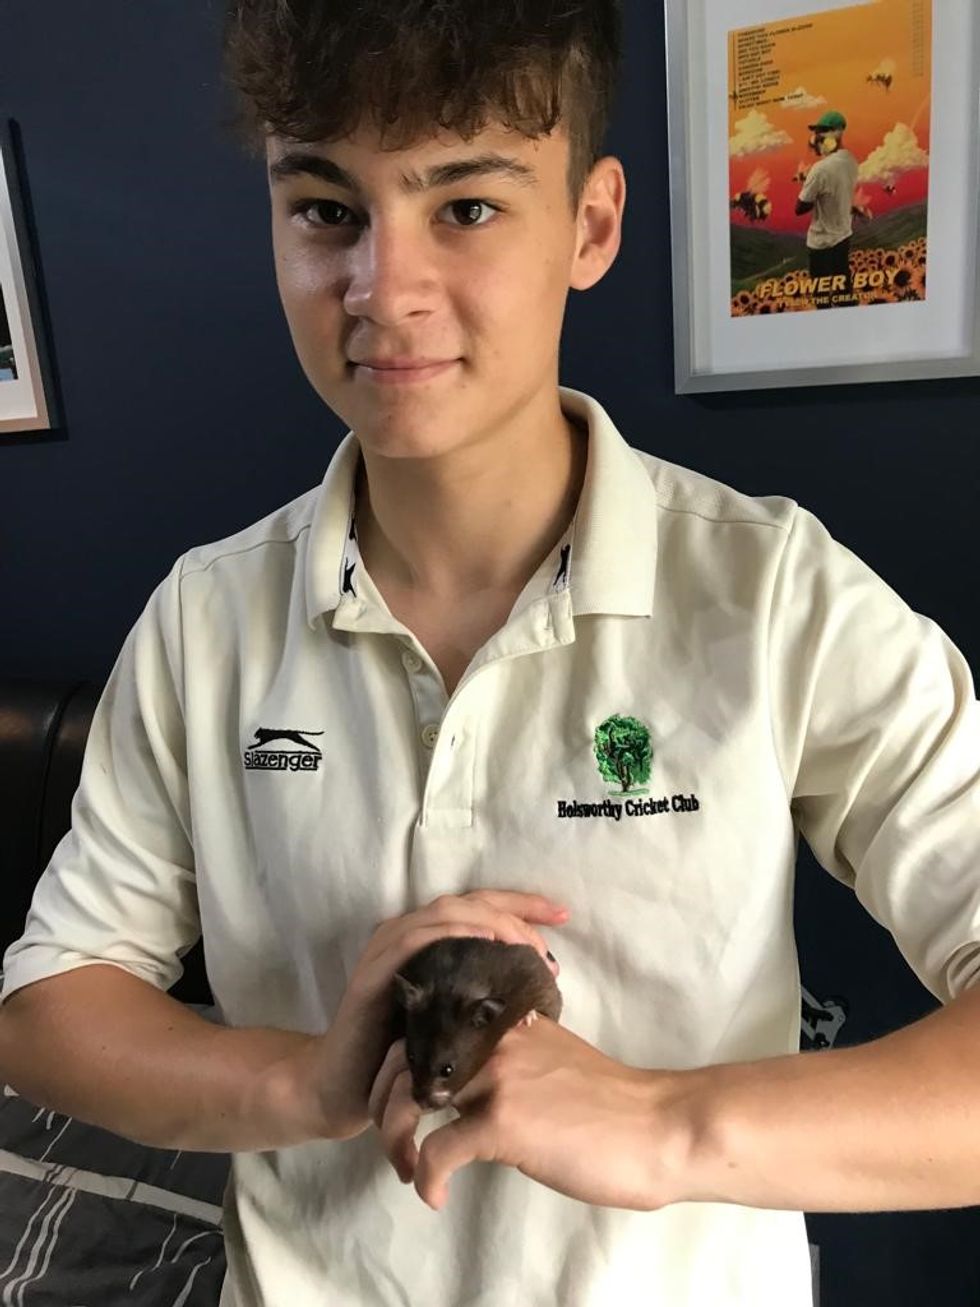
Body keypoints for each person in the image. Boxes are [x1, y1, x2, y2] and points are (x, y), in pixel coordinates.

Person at [2, 3, 980, 1304]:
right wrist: (302, 1077)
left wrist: (660, 1120)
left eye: (464, 207)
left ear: (591, 225)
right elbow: (53, 1003)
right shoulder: (203, 618)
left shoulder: (775, 593)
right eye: (327, 210)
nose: (383, 289)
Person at [795, 109, 861, 306]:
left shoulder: (820, 169)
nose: (817, 136)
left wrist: (809, 185)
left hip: (821, 243)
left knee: (822, 298)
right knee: (844, 291)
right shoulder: (850, 160)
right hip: (843, 235)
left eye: (823, 131)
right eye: (817, 132)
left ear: (838, 132)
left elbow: (799, 208)